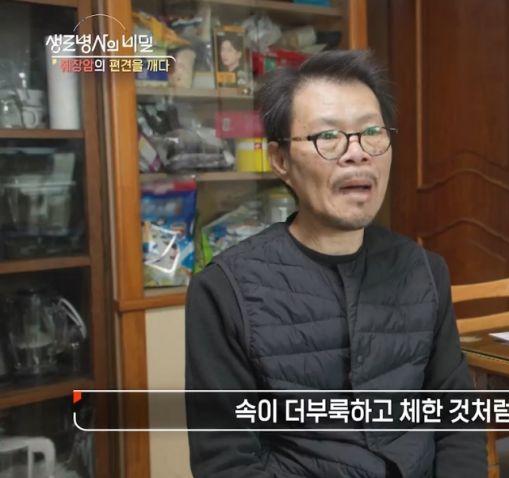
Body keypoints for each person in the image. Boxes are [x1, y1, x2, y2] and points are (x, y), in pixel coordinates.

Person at [185, 50, 487, 477]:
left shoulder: (424, 271)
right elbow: (226, 464)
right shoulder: (223, 291)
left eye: (372, 132)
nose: (356, 153)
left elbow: (457, 423)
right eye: (328, 137)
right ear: (280, 161)